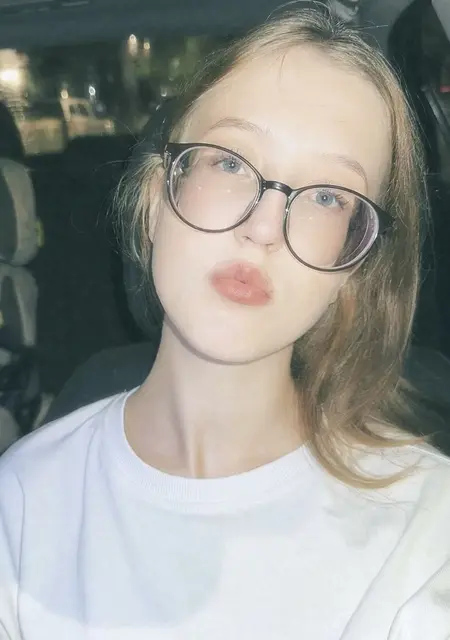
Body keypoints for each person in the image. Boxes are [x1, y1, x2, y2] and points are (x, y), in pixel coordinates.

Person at [1, 5, 450, 638]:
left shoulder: (427, 533)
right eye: (231, 162)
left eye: (327, 196)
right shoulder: (22, 501)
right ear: (155, 199)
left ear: (353, 263)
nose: (262, 228)